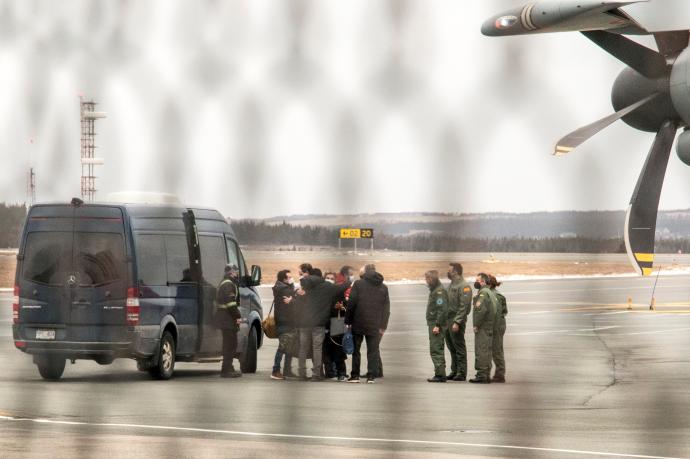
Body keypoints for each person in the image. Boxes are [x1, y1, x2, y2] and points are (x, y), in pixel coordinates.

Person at [297, 265, 349, 381]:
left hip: (304, 322)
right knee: (317, 349)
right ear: (321, 277)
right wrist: (349, 280)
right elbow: (342, 288)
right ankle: (317, 374)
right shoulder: (327, 286)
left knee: (303, 349)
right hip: (319, 322)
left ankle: (302, 373)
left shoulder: (305, 286)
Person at [346, 264, 390, 384]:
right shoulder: (383, 287)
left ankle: (355, 375)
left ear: (365, 273)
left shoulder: (358, 284)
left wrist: (348, 321)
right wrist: (383, 326)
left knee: (356, 350)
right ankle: (371, 376)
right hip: (375, 324)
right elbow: (386, 309)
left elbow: (352, 303)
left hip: (358, 322)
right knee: (373, 351)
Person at [445, 263, 473, 381]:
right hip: (447, 320)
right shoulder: (452, 285)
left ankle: (461, 372)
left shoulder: (464, 286)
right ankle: (454, 370)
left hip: (457, 319)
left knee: (459, 346)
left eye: (450, 270)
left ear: (456, 272)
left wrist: (457, 322)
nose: (448, 272)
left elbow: (464, 306)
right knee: (451, 346)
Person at [214, 264, 242, 378]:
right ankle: (226, 370)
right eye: (236, 272)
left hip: (225, 318)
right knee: (230, 345)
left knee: (230, 344)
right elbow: (231, 304)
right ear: (231, 273)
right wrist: (238, 316)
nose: (237, 274)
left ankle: (229, 368)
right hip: (227, 319)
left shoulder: (227, 283)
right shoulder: (228, 284)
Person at [469, 272, 497, 384]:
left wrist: (476, 325)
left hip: (483, 327)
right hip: (489, 326)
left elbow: (480, 311)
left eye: (477, 280)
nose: (476, 282)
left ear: (483, 282)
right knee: (487, 350)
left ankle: (481, 375)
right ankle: (486, 374)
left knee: (481, 350)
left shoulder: (483, 294)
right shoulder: (489, 292)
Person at [271, 269, 297, 380]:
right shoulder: (285, 290)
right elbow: (290, 306)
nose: (291, 278)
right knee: (283, 347)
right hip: (286, 321)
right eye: (289, 277)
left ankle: (287, 370)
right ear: (284, 279)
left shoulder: (279, 287)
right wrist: (294, 297)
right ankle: (275, 371)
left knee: (288, 347)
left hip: (282, 321)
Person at [425, 270, 450, 383]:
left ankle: (440, 375)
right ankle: (439, 373)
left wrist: (437, 325)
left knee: (436, 349)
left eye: (428, 279)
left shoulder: (439, 291)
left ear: (432, 279)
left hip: (436, 324)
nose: (426, 281)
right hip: (434, 323)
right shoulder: (435, 290)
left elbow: (442, 310)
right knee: (435, 348)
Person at [488, 274, 508, 383]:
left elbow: (500, 312)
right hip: (495, 324)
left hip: (497, 325)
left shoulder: (496, 296)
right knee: (494, 349)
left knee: (497, 350)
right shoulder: (490, 294)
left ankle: (500, 374)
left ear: (489, 284)